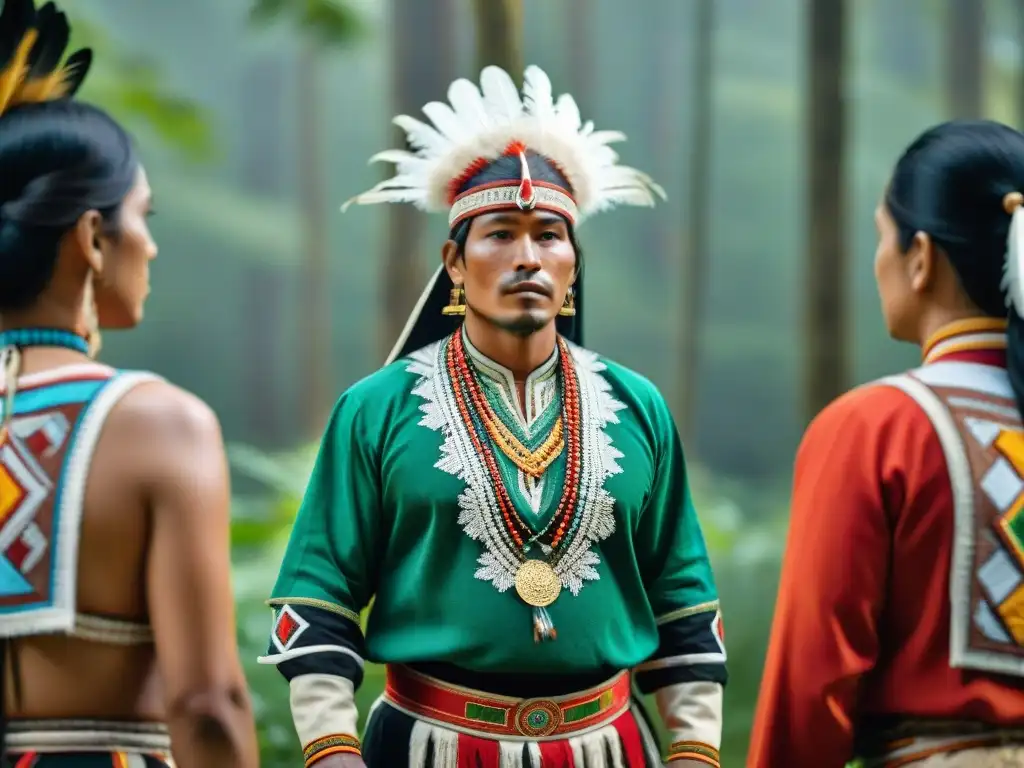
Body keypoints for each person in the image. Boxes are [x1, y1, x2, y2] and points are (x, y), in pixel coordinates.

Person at [258, 65, 728, 768]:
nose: (528, 258)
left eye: (549, 235)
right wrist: (332, 752)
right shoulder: (375, 409)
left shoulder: (639, 407)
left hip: (610, 748)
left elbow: (684, 606)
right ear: (454, 261)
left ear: (574, 263)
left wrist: (693, 753)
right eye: (501, 234)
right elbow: (317, 602)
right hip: (425, 748)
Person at [0, 1, 259, 765]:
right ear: (89, 236)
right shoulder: (156, 425)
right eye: (144, 214)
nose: (150, 242)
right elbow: (206, 702)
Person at [748, 120, 1024, 768]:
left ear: (921, 257)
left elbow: (811, 686)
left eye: (881, 236)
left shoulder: (875, 428)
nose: (878, 260)